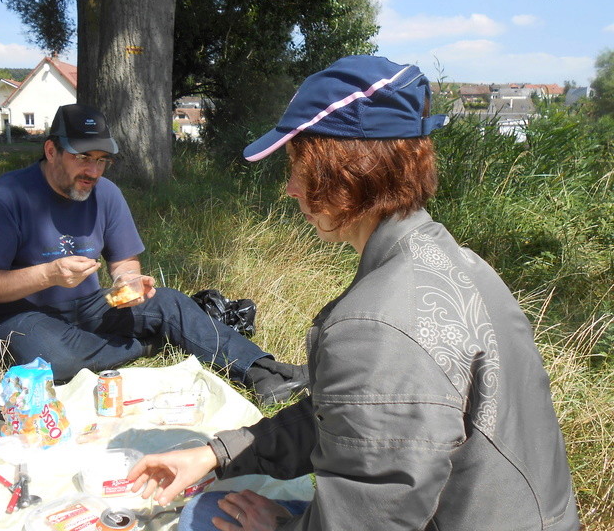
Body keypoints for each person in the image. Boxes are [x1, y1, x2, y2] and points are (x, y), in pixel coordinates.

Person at [127, 56, 581, 530]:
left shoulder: (376, 326)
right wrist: (217, 454)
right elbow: (352, 419)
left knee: (203, 518)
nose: (290, 190)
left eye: (297, 167)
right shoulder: (457, 262)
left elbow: (371, 518)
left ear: (342, 173)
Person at [0, 103, 307, 406]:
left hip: (87, 305)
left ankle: (265, 371)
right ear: (52, 150)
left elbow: (125, 261)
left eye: (102, 161)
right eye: (82, 158)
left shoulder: (106, 194)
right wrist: (47, 275)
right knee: (57, 360)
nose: (93, 172)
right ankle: (145, 344)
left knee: (170, 303)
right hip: (18, 313)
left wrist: (128, 282)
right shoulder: (7, 198)